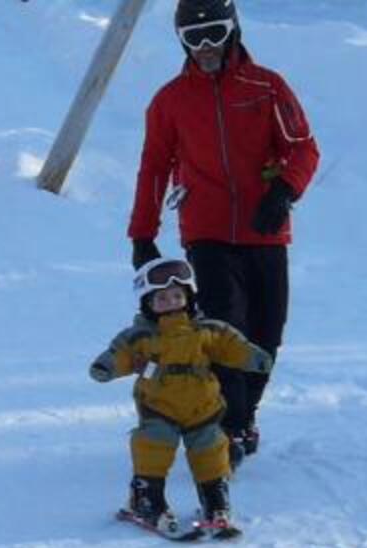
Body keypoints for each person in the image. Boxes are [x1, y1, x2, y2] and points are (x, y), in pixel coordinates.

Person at [128, 0, 320, 468]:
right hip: (206, 229)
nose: (206, 47)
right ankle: (228, 428)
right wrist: (142, 234)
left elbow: (303, 149)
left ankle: (245, 414)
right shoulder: (170, 100)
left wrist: (283, 192)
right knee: (224, 326)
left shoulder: (268, 87)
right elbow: (154, 167)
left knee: (266, 332)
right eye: (195, 38)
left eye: (215, 33)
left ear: (234, 31)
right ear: (181, 42)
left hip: (265, 228)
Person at [89, 258, 272, 539]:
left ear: (189, 297)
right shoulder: (140, 336)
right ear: (147, 303)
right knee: (153, 446)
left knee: (211, 451)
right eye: (162, 298)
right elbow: (121, 352)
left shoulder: (206, 330)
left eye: (177, 295)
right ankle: (147, 498)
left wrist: (253, 358)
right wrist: (107, 366)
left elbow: (231, 344)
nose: (171, 302)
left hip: (203, 407)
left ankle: (215, 502)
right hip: (158, 407)